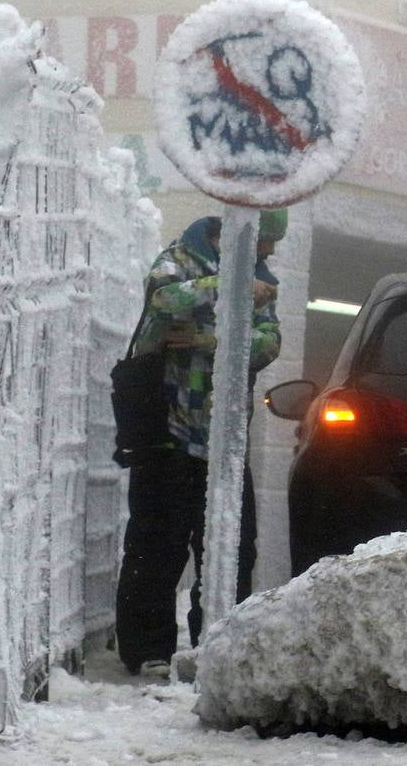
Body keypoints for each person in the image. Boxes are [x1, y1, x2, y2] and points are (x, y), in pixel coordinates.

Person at [114, 208, 287, 677]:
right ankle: (147, 650)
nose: (270, 254)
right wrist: (225, 288)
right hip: (167, 434)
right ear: (239, 238)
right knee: (157, 545)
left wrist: (209, 339)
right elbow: (163, 300)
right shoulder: (180, 258)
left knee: (234, 549)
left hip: (224, 443)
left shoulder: (262, 280)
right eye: (265, 244)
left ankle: (220, 646)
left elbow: (269, 341)